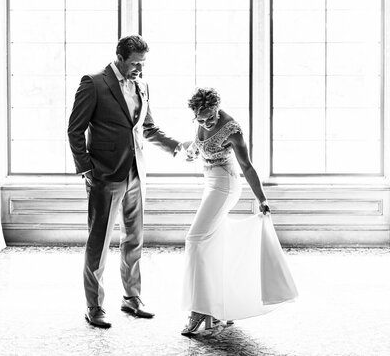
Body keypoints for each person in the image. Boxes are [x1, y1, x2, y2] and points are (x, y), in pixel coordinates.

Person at [68, 35, 188, 329]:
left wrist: (177, 147)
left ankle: (132, 297)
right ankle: (94, 305)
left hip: (137, 171)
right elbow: (74, 130)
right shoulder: (94, 82)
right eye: (135, 63)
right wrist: (87, 169)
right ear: (120, 57)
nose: (140, 68)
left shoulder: (142, 85)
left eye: (143, 63)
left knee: (134, 238)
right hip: (105, 174)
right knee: (99, 241)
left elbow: (147, 128)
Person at [180, 87, 297, 336]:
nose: (206, 122)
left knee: (195, 239)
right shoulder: (201, 120)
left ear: (218, 107)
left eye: (210, 117)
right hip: (210, 183)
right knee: (213, 244)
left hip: (225, 185)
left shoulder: (232, 129)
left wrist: (262, 199)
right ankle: (219, 306)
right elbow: (200, 144)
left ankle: (199, 309)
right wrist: (192, 152)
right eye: (200, 119)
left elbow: (247, 166)